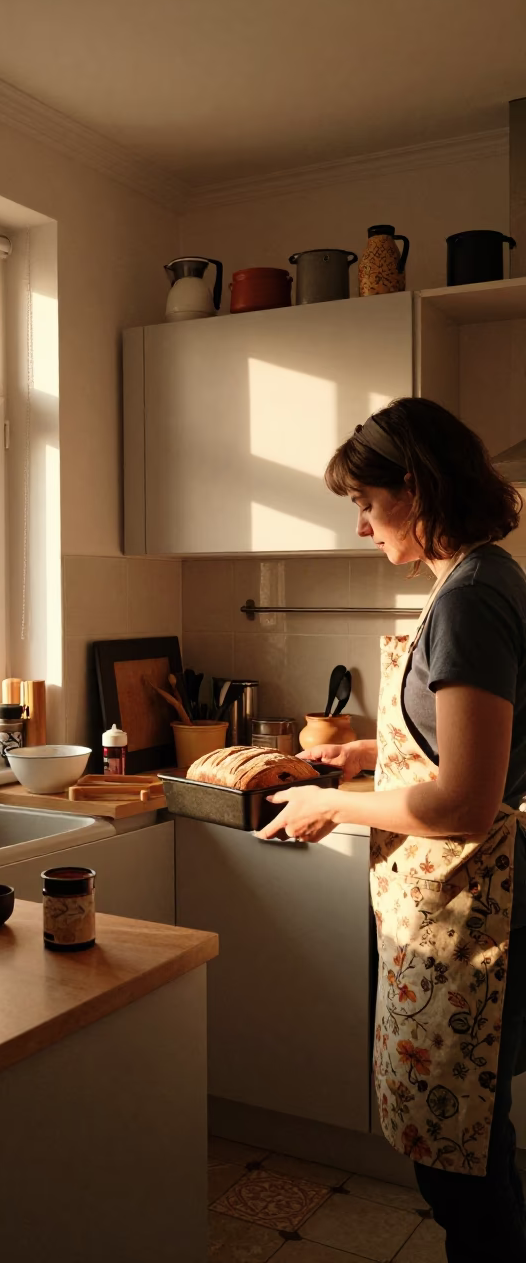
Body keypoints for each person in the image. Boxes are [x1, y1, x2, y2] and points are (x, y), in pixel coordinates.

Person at [259, 397, 526, 1262]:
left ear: (415, 489)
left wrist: (329, 803)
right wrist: (384, 746)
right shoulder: (482, 577)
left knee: (460, 1170)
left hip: (467, 908)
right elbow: (477, 734)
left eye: (368, 504)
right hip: (454, 908)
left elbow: (463, 804)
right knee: (467, 1149)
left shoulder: (470, 600)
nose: (364, 527)